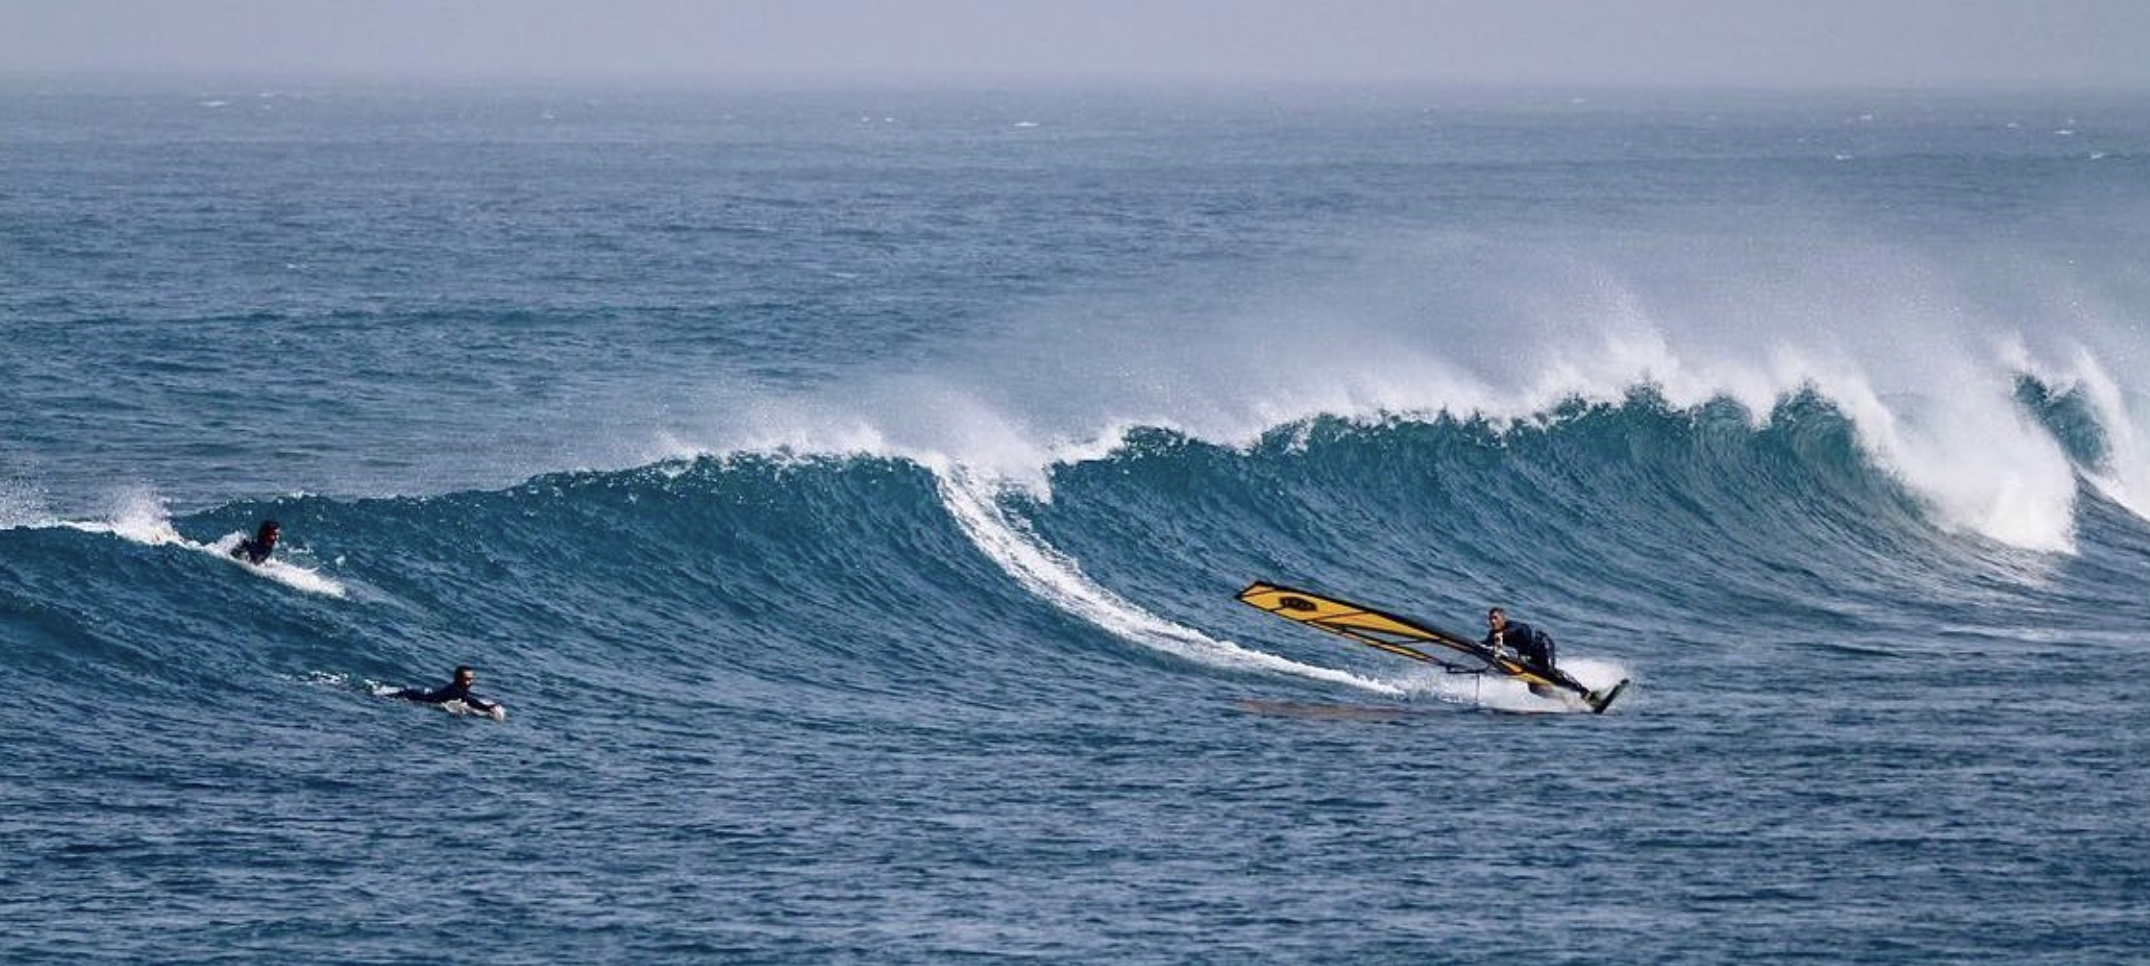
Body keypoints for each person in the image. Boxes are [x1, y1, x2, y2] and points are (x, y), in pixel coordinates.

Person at [1483, 607, 1587, 695]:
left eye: (1495, 618)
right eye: (1490, 619)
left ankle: (1583, 692)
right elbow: (1483, 645)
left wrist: (1503, 634)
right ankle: (1563, 699)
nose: (1492, 621)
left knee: (1549, 673)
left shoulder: (1514, 626)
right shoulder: (1493, 634)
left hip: (1543, 645)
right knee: (1534, 688)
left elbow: (1522, 629)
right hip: (1528, 654)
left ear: (1503, 618)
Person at [392, 665, 504, 719]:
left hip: (417, 695)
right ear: (458, 679)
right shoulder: (455, 690)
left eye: (472, 679)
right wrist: (487, 708)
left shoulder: (459, 688)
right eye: (467, 679)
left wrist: (487, 708)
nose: (471, 682)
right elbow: (469, 700)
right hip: (412, 696)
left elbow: (467, 699)